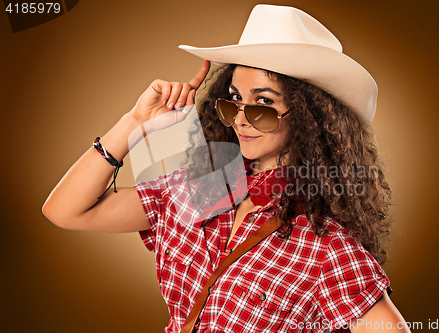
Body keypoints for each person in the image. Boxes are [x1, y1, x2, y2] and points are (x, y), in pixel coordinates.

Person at [43, 4, 410, 333]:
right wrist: (133, 123)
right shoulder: (197, 190)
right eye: (234, 101)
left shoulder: (325, 246)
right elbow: (66, 210)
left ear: (308, 117)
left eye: (263, 104)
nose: (241, 120)